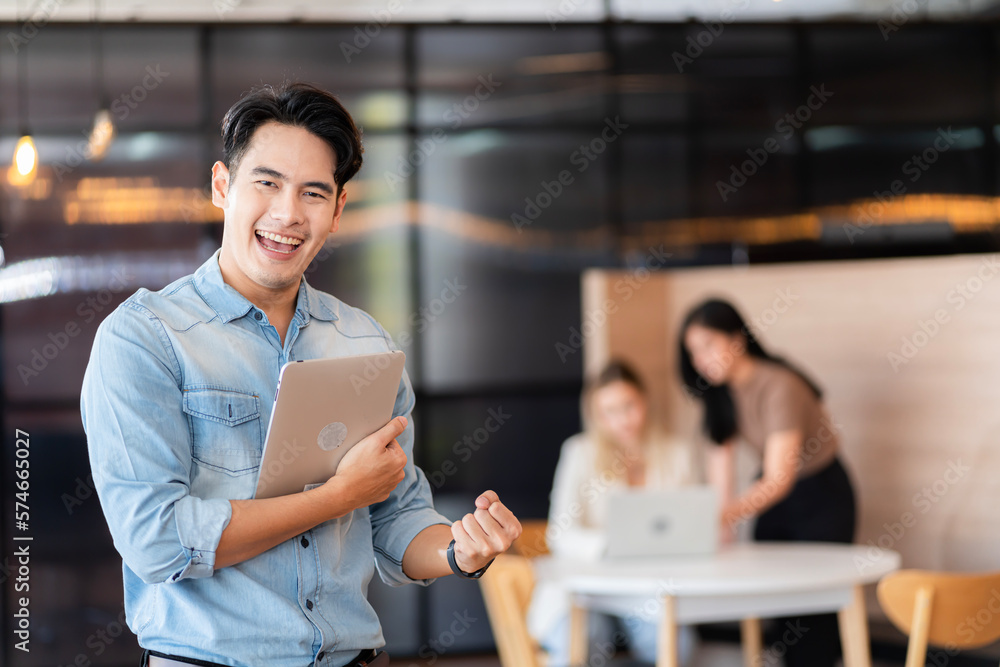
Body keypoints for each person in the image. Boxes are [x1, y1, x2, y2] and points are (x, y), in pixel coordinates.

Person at [80, 82, 521, 667]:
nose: (288, 214)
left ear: (338, 210)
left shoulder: (364, 342)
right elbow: (158, 541)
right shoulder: (143, 337)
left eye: (314, 193)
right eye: (266, 183)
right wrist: (336, 495)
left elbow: (395, 518)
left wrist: (461, 551)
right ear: (222, 186)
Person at [678, 298, 856, 667]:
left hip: (821, 494)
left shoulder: (780, 384)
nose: (700, 360)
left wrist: (722, 518)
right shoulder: (719, 394)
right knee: (778, 605)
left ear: (737, 340)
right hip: (778, 499)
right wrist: (718, 534)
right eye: (693, 351)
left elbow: (778, 479)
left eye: (708, 346)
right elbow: (721, 472)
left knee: (813, 616)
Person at [527, 360, 699, 666]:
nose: (622, 419)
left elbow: (692, 524)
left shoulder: (678, 454)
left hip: (651, 589)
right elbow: (559, 532)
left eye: (629, 405)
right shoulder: (579, 453)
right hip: (585, 589)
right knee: (579, 644)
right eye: (609, 411)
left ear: (645, 400)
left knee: (676, 647)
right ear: (596, 416)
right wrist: (610, 545)